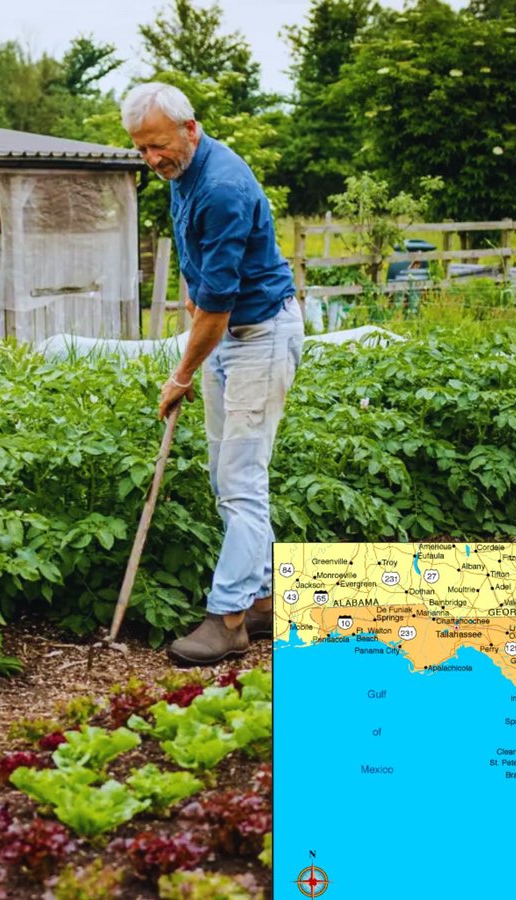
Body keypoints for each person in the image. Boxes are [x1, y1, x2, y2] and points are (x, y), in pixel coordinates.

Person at [121, 82, 304, 666]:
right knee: (228, 477)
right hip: (226, 337)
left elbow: (220, 308)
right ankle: (266, 600)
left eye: (158, 146)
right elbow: (200, 276)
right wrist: (195, 334)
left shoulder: (222, 187)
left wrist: (179, 376)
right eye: (142, 149)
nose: (152, 160)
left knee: (241, 481)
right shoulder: (183, 175)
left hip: (258, 336)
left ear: (190, 128)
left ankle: (228, 619)